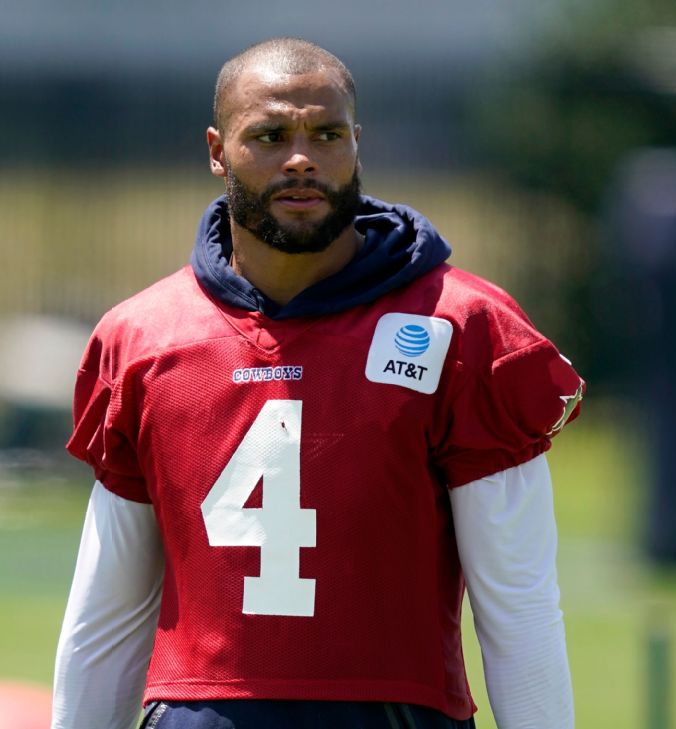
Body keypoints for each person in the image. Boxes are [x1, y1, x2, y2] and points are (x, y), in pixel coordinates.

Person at [53, 37, 583, 729]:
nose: (301, 157)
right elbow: (107, 616)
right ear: (217, 150)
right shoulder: (146, 337)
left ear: (357, 144)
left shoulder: (461, 327)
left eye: (326, 134)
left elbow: (519, 602)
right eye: (270, 135)